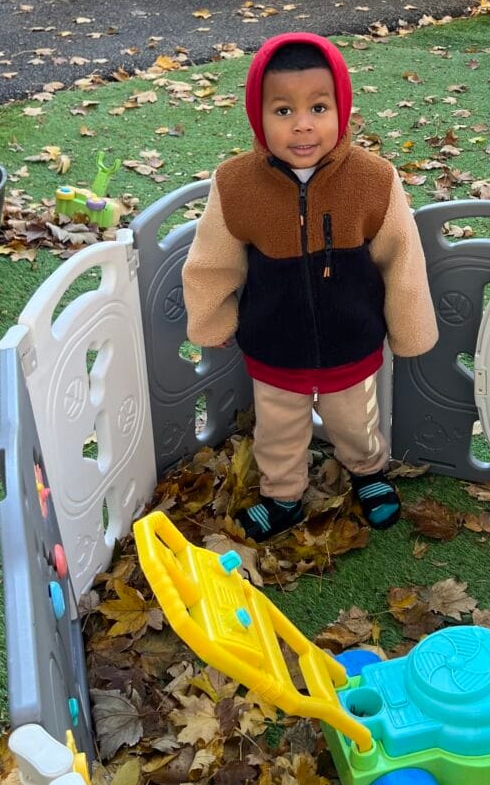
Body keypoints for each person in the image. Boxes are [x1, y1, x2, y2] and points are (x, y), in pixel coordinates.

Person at [181, 32, 438, 543]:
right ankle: (282, 496)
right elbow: (213, 259)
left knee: (356, 421)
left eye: (318, 107)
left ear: (341, 108)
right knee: (278, 431)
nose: (302, 124)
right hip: (275, 343)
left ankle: (369, 472)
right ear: (258, 116)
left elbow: (402, 258)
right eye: (283, 111)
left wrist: (409, 330)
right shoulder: (236, 184)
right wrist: (212, 320)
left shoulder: (373, 179)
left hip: (351, 338)